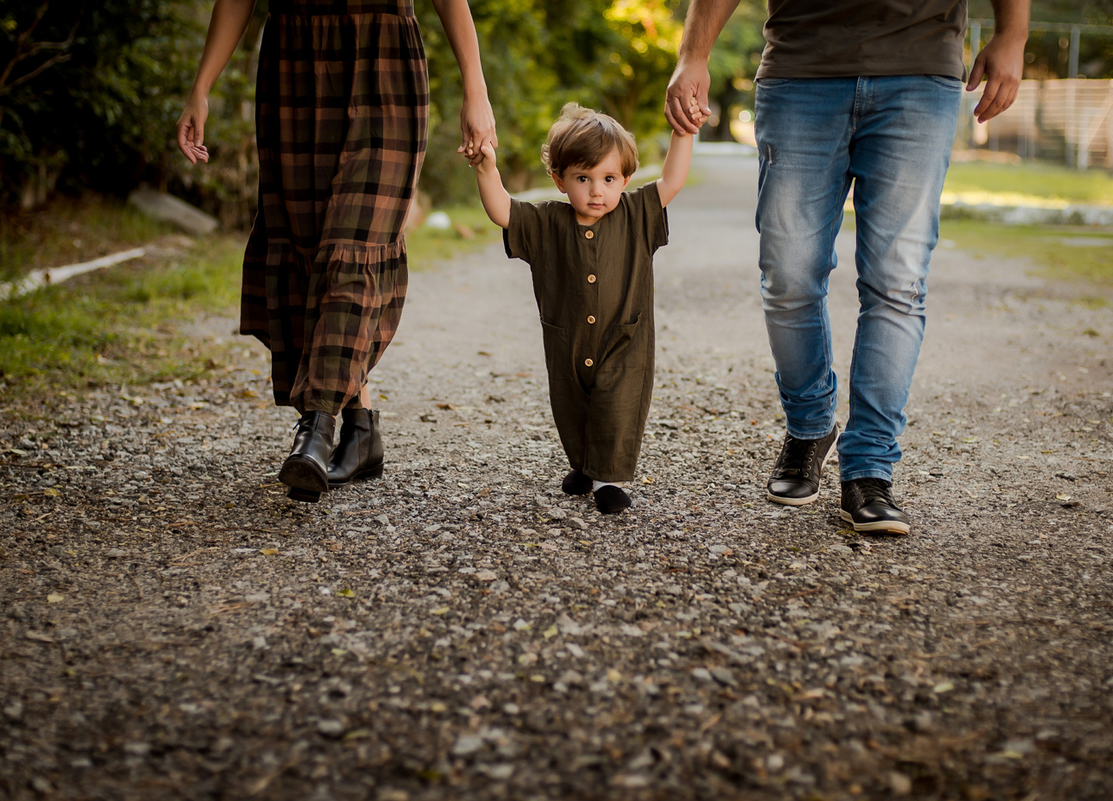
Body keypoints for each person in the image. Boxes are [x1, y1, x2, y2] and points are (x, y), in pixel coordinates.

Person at [665, 0, 1028, 534]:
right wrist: (693, 53)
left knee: (897, 282)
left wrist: (1013, 34)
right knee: (787, 272)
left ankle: (869, 469)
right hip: (801, 68)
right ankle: (810, 426)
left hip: (920, 68)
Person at [176, 0, 496, 503]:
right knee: (309, 248)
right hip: (293, 63)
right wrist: (201, 87)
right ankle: (361, 427)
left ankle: (317, 428)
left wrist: (475, 90)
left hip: (384, 61)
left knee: (357, 244)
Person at [469, 103, 701, 513]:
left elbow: (673, 180)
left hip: (624, 338)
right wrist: (486, 168)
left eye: (609, 178)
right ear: (559, 180)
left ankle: (607, 479)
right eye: (583, 178)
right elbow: (502, 209)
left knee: (617, 404)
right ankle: (584, 465)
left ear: (625, 179)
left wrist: (684, 131)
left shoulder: (636, 214)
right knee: (571, 406)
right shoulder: (546, 223)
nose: (597, 190)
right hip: (568, 339)